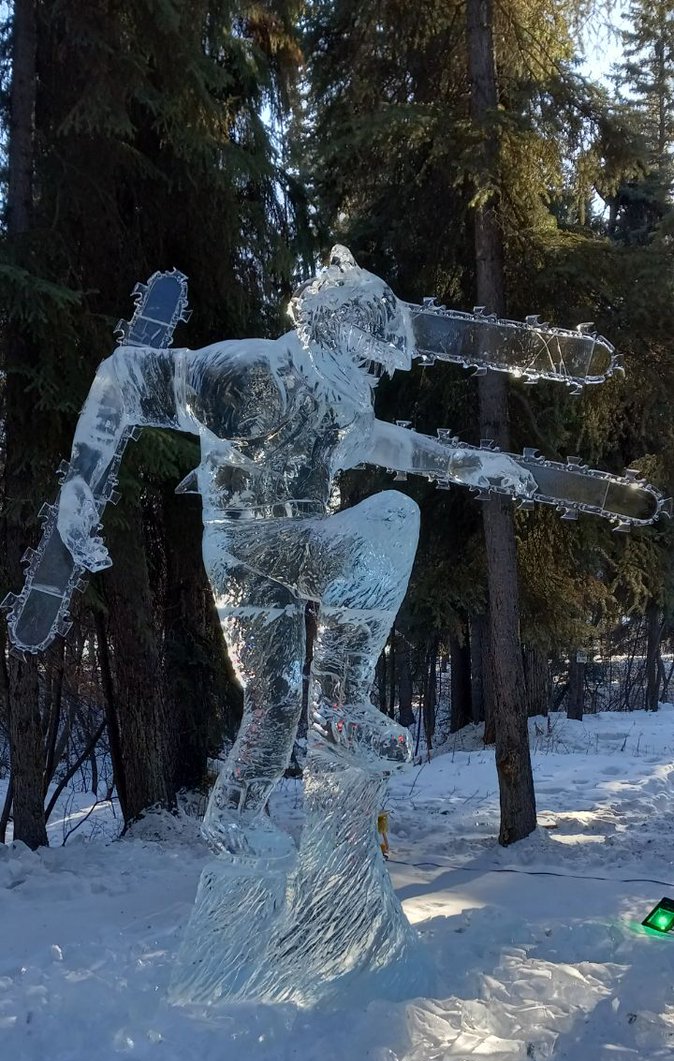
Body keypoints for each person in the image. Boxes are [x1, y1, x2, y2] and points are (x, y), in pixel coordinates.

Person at [55, 245, 536, 873]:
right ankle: (340, 702)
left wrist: (476, 464)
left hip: (258, 552)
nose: (373, 377)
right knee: (393, 519)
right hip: (252, 540)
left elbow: (397, 445)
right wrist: (80, 488)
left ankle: (235, 811)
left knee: (276, 701)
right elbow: (125, 376)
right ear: (334, 332)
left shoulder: (339, 405)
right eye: (367, 361)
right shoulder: (251, 373)